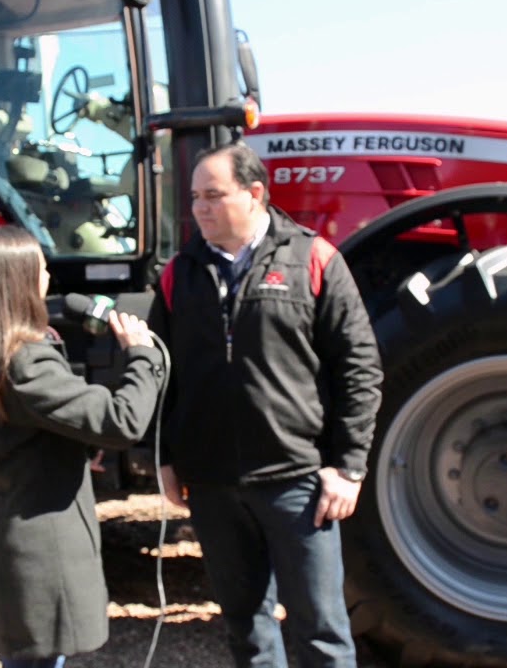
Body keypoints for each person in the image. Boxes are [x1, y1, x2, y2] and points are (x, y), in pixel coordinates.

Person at [148, 142, 383, 668]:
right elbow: (161, 374)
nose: (200, 209)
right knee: (247, 629)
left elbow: (359, 368)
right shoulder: (176, 274)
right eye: (194, 198)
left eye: (213, 196)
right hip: (212, 485)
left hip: (297, 483)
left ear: (255, 194)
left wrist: (348, 467)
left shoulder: (314, 260)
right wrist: (163, 457)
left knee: (321, 631)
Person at [0, 225, 165, 668]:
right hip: (40, 557)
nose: (49, 277)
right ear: (21, 281)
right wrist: (142, 356)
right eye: (42, 269)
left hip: (14, 543)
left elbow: (22, 432)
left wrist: (78, 448)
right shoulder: (26, 362)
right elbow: (122, 421)